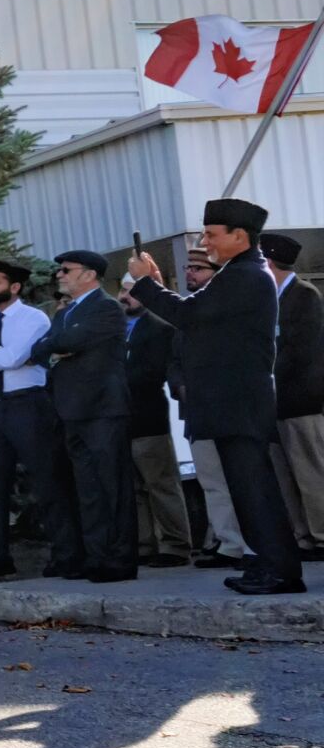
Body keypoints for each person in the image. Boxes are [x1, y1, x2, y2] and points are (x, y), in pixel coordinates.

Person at [131, 198, 305, 595]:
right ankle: (264, 562)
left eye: (212, 234)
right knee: (245, 490)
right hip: (231, 401)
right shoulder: (236, 273)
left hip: (239, 402)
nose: (205, 241)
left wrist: (144, 284)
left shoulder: (246, 274)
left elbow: (188, 316)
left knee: (255, 489)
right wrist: (155, 285)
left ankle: (280, 570)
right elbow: (195, 315)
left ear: (239, 236)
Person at [0, 259, 79, 582]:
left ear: (14, 287)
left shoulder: (34, 319)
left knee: (47, 480)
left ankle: (67, 555)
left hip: (29, 405)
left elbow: (13, 358)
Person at [32, 250, 138, 583]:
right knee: (88, 488)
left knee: (112, 487)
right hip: (72, 411)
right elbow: (39, 350)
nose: (59, 275)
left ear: (88, 275)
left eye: (65, 270)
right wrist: (57, 348)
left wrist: (57, 346)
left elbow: (69, 340)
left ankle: (119, 559)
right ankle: (96, 556)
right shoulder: (66, 313)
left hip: (102, 411)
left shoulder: (106, 307)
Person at [170, 248, 250, 568]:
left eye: (199, 268)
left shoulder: (231, 308)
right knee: (213, 482)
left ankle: (252, 546)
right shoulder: (185, 313)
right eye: (188, 268)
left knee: (241, 480)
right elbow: (173, 361)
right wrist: (181, 386)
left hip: (229, 410)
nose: (190, 273)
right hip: (196, 412)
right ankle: (228, 545)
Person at [261, 233, 324, 561]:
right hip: (275, 403)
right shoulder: (271, 299)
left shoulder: (303, 295)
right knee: (285, 475)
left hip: (301, 401)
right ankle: (301, 536)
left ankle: (320, 533)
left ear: (269, 263)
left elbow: (300, 349)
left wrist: (266, 374)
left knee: (309, 471)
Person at [121, 281, 193, 568]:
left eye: (131, 291)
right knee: (135, 487)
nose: (126, 297)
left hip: (148, 416)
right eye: (122, 292)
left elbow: (154, 370)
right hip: (121, 418)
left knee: (161, 483)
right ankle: (144, 544)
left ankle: (176, 544)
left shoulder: (160, 327)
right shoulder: (117, 328)